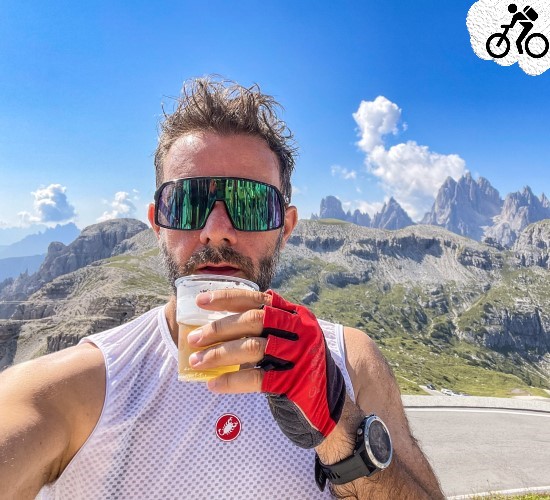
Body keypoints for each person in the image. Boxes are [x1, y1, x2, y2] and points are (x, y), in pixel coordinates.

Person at [0, 77, 444, 499]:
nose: (217, 230)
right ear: (157, 223)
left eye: (251, 206)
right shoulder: (75, 388)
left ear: (286, 228)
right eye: (188, 203)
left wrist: (339, 421)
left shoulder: (351, 361)